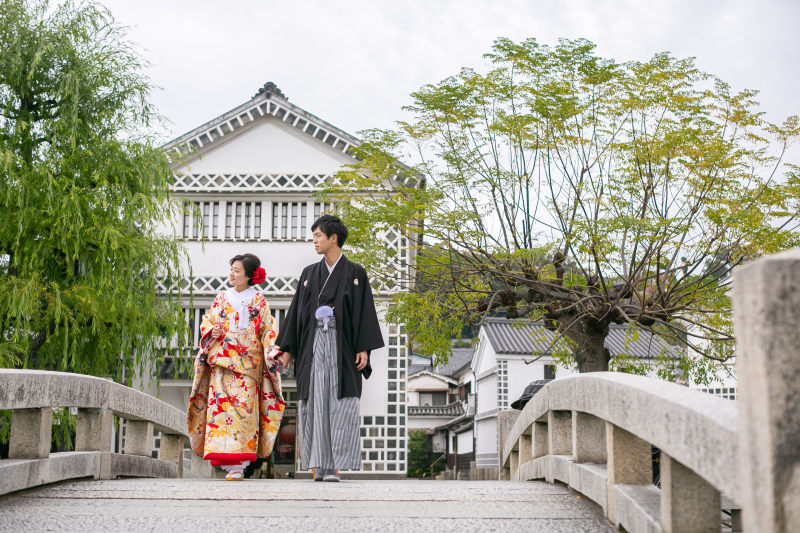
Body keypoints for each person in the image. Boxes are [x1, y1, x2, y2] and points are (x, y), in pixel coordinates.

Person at [276, 215, 384, 482]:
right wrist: (289, 348)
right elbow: (296, 312)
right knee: (314, 402)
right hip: (313, 344)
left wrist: (364, 348)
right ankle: (318, 465)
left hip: (342, 345)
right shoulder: (309, 273)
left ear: (333, 238)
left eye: (318, 235)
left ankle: (334, 465)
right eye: (314, 236)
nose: (314, 240)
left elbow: (364, 312)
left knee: (340, 402)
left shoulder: (356, 273)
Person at [187, 253, 285, 481]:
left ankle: (238, 465)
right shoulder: (221, 297)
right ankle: (227, 463)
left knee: (243, 417)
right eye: (231, 269)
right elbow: (207, 321)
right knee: (221, 415)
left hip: (248, 369)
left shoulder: (259, 300)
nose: (232, 274)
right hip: (221, 364)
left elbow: (268, 331)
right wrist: (213, 331)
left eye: (237, 270)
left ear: (249, 275)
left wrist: (273, 350)